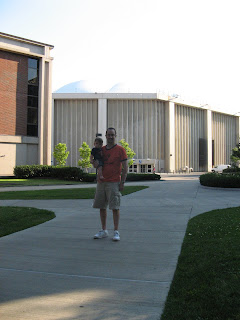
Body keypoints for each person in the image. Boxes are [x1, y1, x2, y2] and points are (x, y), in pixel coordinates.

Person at [92, 127, 128, 241]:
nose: (111, 137)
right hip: (101, 182)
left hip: (114, 182)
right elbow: (95, 165)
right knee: (102, 207)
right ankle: (104, 230)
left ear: (115, 136)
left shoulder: (120, 150)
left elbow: (125, 168)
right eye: (109, 135)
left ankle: (116, 231)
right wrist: (94, 162)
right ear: (106, 136)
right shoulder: (100, 150)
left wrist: (122, 182)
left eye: (113, 135)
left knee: (115, 207)